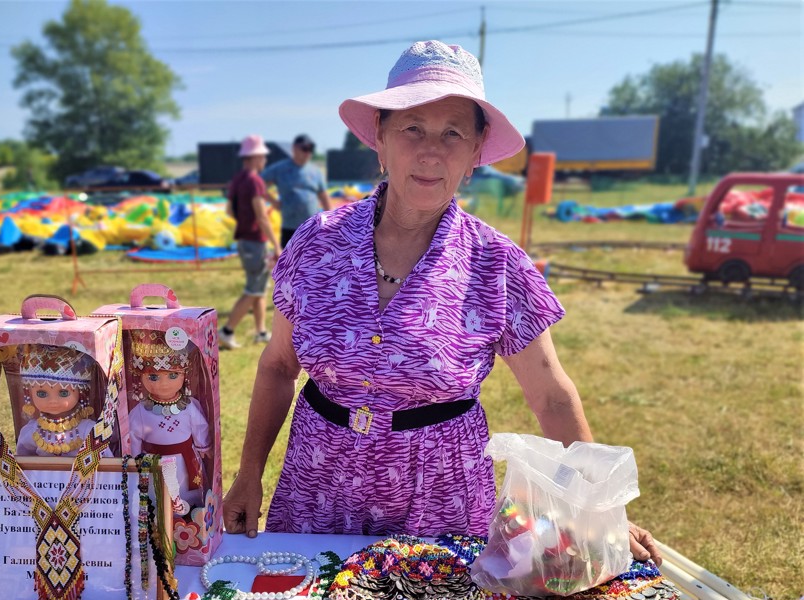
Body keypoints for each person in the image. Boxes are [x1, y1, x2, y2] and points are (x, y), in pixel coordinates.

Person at [223, 41, 661, 566]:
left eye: (453, 132)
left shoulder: (498, 263)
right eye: (412, 128)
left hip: (439, 501)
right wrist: (248, 476)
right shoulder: (317, 242)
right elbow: (276, 366)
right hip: (319, 489)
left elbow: (552, 397)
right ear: (380, 139)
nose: (431, 151)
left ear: (477, 151)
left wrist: (600, 511)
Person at [127, 328, 212, 514]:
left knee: (188, 492)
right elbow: (132, 436)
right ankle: (162, 520)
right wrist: (133, 460)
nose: (164, 384)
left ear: (184, 376)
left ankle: (189, 517)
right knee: (158, 496)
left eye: (173, 376)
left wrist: (204, 446)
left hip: (186, 460)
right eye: (154, 377)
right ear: (141, 377)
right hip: (155, 463)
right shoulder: (140, 411)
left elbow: (200, 427)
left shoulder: (189, 406)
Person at [219, 134, 282, 350]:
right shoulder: (254, 181)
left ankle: (261, 331)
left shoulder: (238, 179)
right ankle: (226, 331)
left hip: (244, 240)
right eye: (263, 156)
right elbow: (262, 216)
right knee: (254, 289)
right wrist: (276, 244)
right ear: (255, 157)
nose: (265, 160)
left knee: (260, 288)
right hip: (256, 241)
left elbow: (228, 209)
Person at [16, 344, 107, 457]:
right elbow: (22, 465)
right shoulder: (30, 432)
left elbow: (108, 466)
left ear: (81, 391)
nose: (53, 401)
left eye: (63, 393)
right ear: (29, 393)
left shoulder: (89, 430)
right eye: (42, 393)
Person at [261, 133, 331, 248]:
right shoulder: (281, 168)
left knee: (312, 263)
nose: (308, 153)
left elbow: (324, 197)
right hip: (290, 228)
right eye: (304, 148)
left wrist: (330, 223)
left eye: (311, 149)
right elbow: (259, 184)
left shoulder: (316, 172)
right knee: (289, 263)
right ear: (294, 148)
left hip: (312, 227)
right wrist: (273, 202)